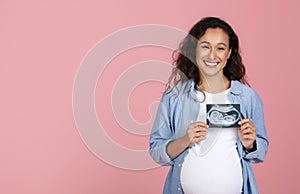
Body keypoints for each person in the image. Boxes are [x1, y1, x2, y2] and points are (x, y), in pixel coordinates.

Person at [149, 17, 268, 194]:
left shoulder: (247, 97)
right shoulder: (174, 98)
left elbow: (261, 151)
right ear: (193, 50)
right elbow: (156, 151)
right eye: (205, 46)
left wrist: (251, 144)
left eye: (220, 48)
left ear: (228, 53)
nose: (212, 55)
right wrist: (184, 141)